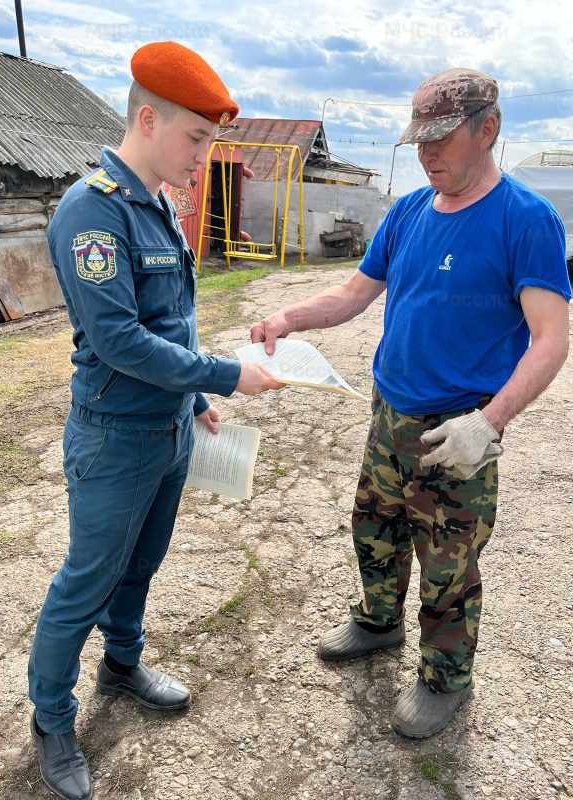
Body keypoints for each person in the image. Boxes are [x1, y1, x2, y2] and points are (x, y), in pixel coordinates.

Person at [251, 68, 570, 739]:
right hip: (389, 414)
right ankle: (375, 624)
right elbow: (352, 295)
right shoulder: (409, 212)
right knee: (376, 528)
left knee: (447, 564)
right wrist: (288, 317)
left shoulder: (526, 220)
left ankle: (445, 679)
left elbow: (551, 339)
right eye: (418, 140)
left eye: (441, 138)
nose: (425, 153)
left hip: (458, 429)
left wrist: (490, 423)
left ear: (488, 130)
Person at [28, 41, 283, 800]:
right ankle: (51, 718)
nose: (205, 155)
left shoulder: (161, 206)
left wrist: (197, 398)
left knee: (141, 566)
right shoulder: (93, 210)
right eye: (197, 138)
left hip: (170, 427)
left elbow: (170, 321)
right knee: (86, 579)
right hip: (115, 435)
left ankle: (122, 664)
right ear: (148, 118)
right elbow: (118, 339)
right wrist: (227, 376)